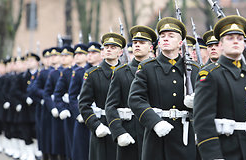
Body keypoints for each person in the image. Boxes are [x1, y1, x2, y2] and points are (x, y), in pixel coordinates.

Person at [193, 15, 246, 160]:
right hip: (225, 151)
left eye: (239, 38)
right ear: (220, 45)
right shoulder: (211, 74)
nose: (236, 42)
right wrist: (213, 156)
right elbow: (203, 121)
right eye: (230, 38)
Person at [128, 17, 199, 160]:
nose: (165, 39)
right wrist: (155, 122)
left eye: (171, 36)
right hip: (156, 136)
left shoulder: (194, 69)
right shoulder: (147, 67)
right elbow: (135, 99)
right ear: (159, 42)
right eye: (162, 36)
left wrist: (196, 103)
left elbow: (207, 104)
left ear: (180, 43)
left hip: (184, 135)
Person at [105, 25, 157, 160]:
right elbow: (110, 106)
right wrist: (118, 132)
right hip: (129, 132)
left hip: (153, 130)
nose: (137, 45)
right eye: (135, 43)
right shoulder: (121, 72)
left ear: (151, 48)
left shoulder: (158, 70)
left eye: (142, 43)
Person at [79, 32, 126, 160]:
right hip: (103, 126)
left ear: (120, 52)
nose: (109, 50)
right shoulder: (93, 74)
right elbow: (84, 105)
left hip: (124, 125)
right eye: (106, 47)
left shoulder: (127, 72)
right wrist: (96, 125)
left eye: (113, 47)